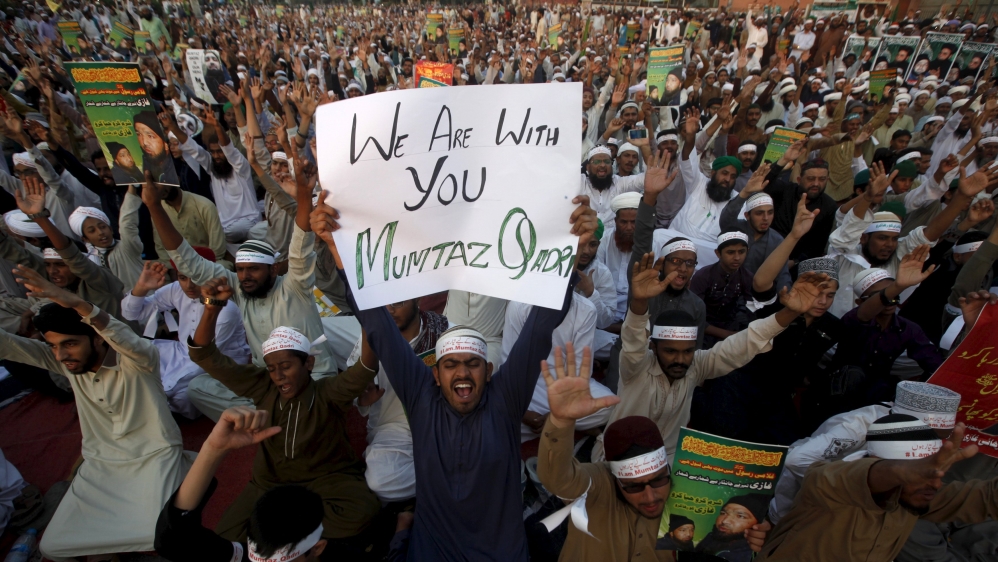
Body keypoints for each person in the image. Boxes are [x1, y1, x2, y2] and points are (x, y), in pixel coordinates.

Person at [310, 184, 597, 560]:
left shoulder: (505, 400)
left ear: (489, 370)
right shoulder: (421, 398)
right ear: (434, 374)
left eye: (472, 363)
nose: (462, 372)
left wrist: (572, 254)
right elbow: (377, 326)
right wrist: (337, 247)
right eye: (450, 364)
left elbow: (541, 326)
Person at [0, 264, 192, 560]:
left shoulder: (138, 360)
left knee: (157, 537)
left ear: (98, 337)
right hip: (101, 464)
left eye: (70, 344)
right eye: (53, 347)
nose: (61, 355)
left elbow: (122, 335)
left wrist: (76, 302)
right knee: (53, 548)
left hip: (155, 456)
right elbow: (10, 346)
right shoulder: (66, 364)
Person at [188, 282, 383, 553]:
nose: (278, 375)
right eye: (272, 368)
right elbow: (204, 356)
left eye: (286, 366)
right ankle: (298, 536)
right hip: (270, 483)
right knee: (225, 537)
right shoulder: (262, 386)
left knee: (363, 512)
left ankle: (283, 535)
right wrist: (212, 308)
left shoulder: (329, 392)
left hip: (328, 478)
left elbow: (365, 367)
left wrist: (369, 313)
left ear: (309, 363)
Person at [594, 250, 831, 462]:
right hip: (617, 457)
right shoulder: (636, 364)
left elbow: (744, 343)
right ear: (653, 348)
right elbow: (634, 336)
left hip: (664, 462)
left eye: (687, 351)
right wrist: (639, 301)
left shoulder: (696, 365)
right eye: (670, 351)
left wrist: (790, 312)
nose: (680, 360)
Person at [535, 346, 768, 561]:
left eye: (658, 481)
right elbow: (559, 479)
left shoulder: (690, 490)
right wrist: (561, 421)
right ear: (615, 479)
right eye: (634, 486)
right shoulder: (598, 483)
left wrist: (754, 537)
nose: (650, 497)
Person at [756, 417, 998, 562]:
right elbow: (862, 476)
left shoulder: (917, 494)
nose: (935, 485)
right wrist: (903, 472)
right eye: (920, 473)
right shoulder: (829, 479)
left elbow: (982, 497)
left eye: (934, 475)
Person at [769, 380, 961, 525]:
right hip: (798, 512)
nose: (936, 442)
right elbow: (796, 460)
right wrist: (852, 486)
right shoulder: (857, 427)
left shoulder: (918, 436)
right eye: (932, 435)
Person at [345, 296, 449, 504]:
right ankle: (449, 479)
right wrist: (362, 398)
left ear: (417, 300)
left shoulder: (445, 331)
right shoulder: (372, 338)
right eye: (383, 304)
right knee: (379, 482)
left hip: (441, 423)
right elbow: (353, 380)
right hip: (394, 427)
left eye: (398, 303)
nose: (390, 310)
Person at [122, 258, 251, 418]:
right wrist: (141, 288)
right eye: (183, 278)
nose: (189, 285)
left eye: (196, 278)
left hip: (217, 365)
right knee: (136, 351)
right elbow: (131, 314)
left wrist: (160, 389)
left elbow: (203, 358)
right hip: (183, 351)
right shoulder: (177, 289)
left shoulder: (226, 310)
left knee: (184, 397)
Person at [166, 109, 261, 243]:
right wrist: (172, 127)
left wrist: (217, 126)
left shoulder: (241, 167)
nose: (216, 156)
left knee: (216, 233)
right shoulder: (212, 167)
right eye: (213, 152)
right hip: (225, 228)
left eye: (219, 152)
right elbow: (192, 148)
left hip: (248, 222)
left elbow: (229, 149)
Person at [689, 230, 754, 347]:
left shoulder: (747, 277)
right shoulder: (703, 276)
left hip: (731, 326)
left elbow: (752, 309)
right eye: (731, 252)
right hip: (702, 330)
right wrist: (727, 334)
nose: (737, 257)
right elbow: (693, 316)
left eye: (741, 252)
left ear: (747, 252)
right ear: (718, 253)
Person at [68, 199, 143, 294]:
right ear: (85, 239)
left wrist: (132, 193)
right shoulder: (89, 261)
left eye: (103, 227)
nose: (100, 232)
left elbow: (127, 224)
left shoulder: (127, 247)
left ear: (110, 229)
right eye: (92, 231)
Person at [695, 493, 769, 561]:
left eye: (740, 516)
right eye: (723, 513)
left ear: (758, 524)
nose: (725, 521)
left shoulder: (755, 554)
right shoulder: (711, 538)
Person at [132, 111, 180, 186]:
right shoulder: (146, 159)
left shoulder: (178, 163)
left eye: (150, 136)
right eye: (139, 134)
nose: (144, 142)